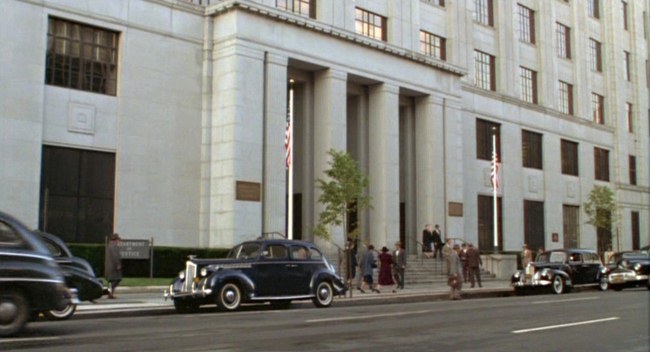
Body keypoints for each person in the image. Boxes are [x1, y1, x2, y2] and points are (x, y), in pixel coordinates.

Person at [105, 233, 123, 299]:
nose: (118, 241)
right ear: (115, 240)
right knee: (116, 279)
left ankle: (110, 293)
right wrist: (118, 264)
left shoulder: (109, 246)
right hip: (113, 267)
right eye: (118, 239)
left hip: (109, 266)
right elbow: (115, 256)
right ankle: (110, 293)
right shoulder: (114, 246)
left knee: (111, 281)